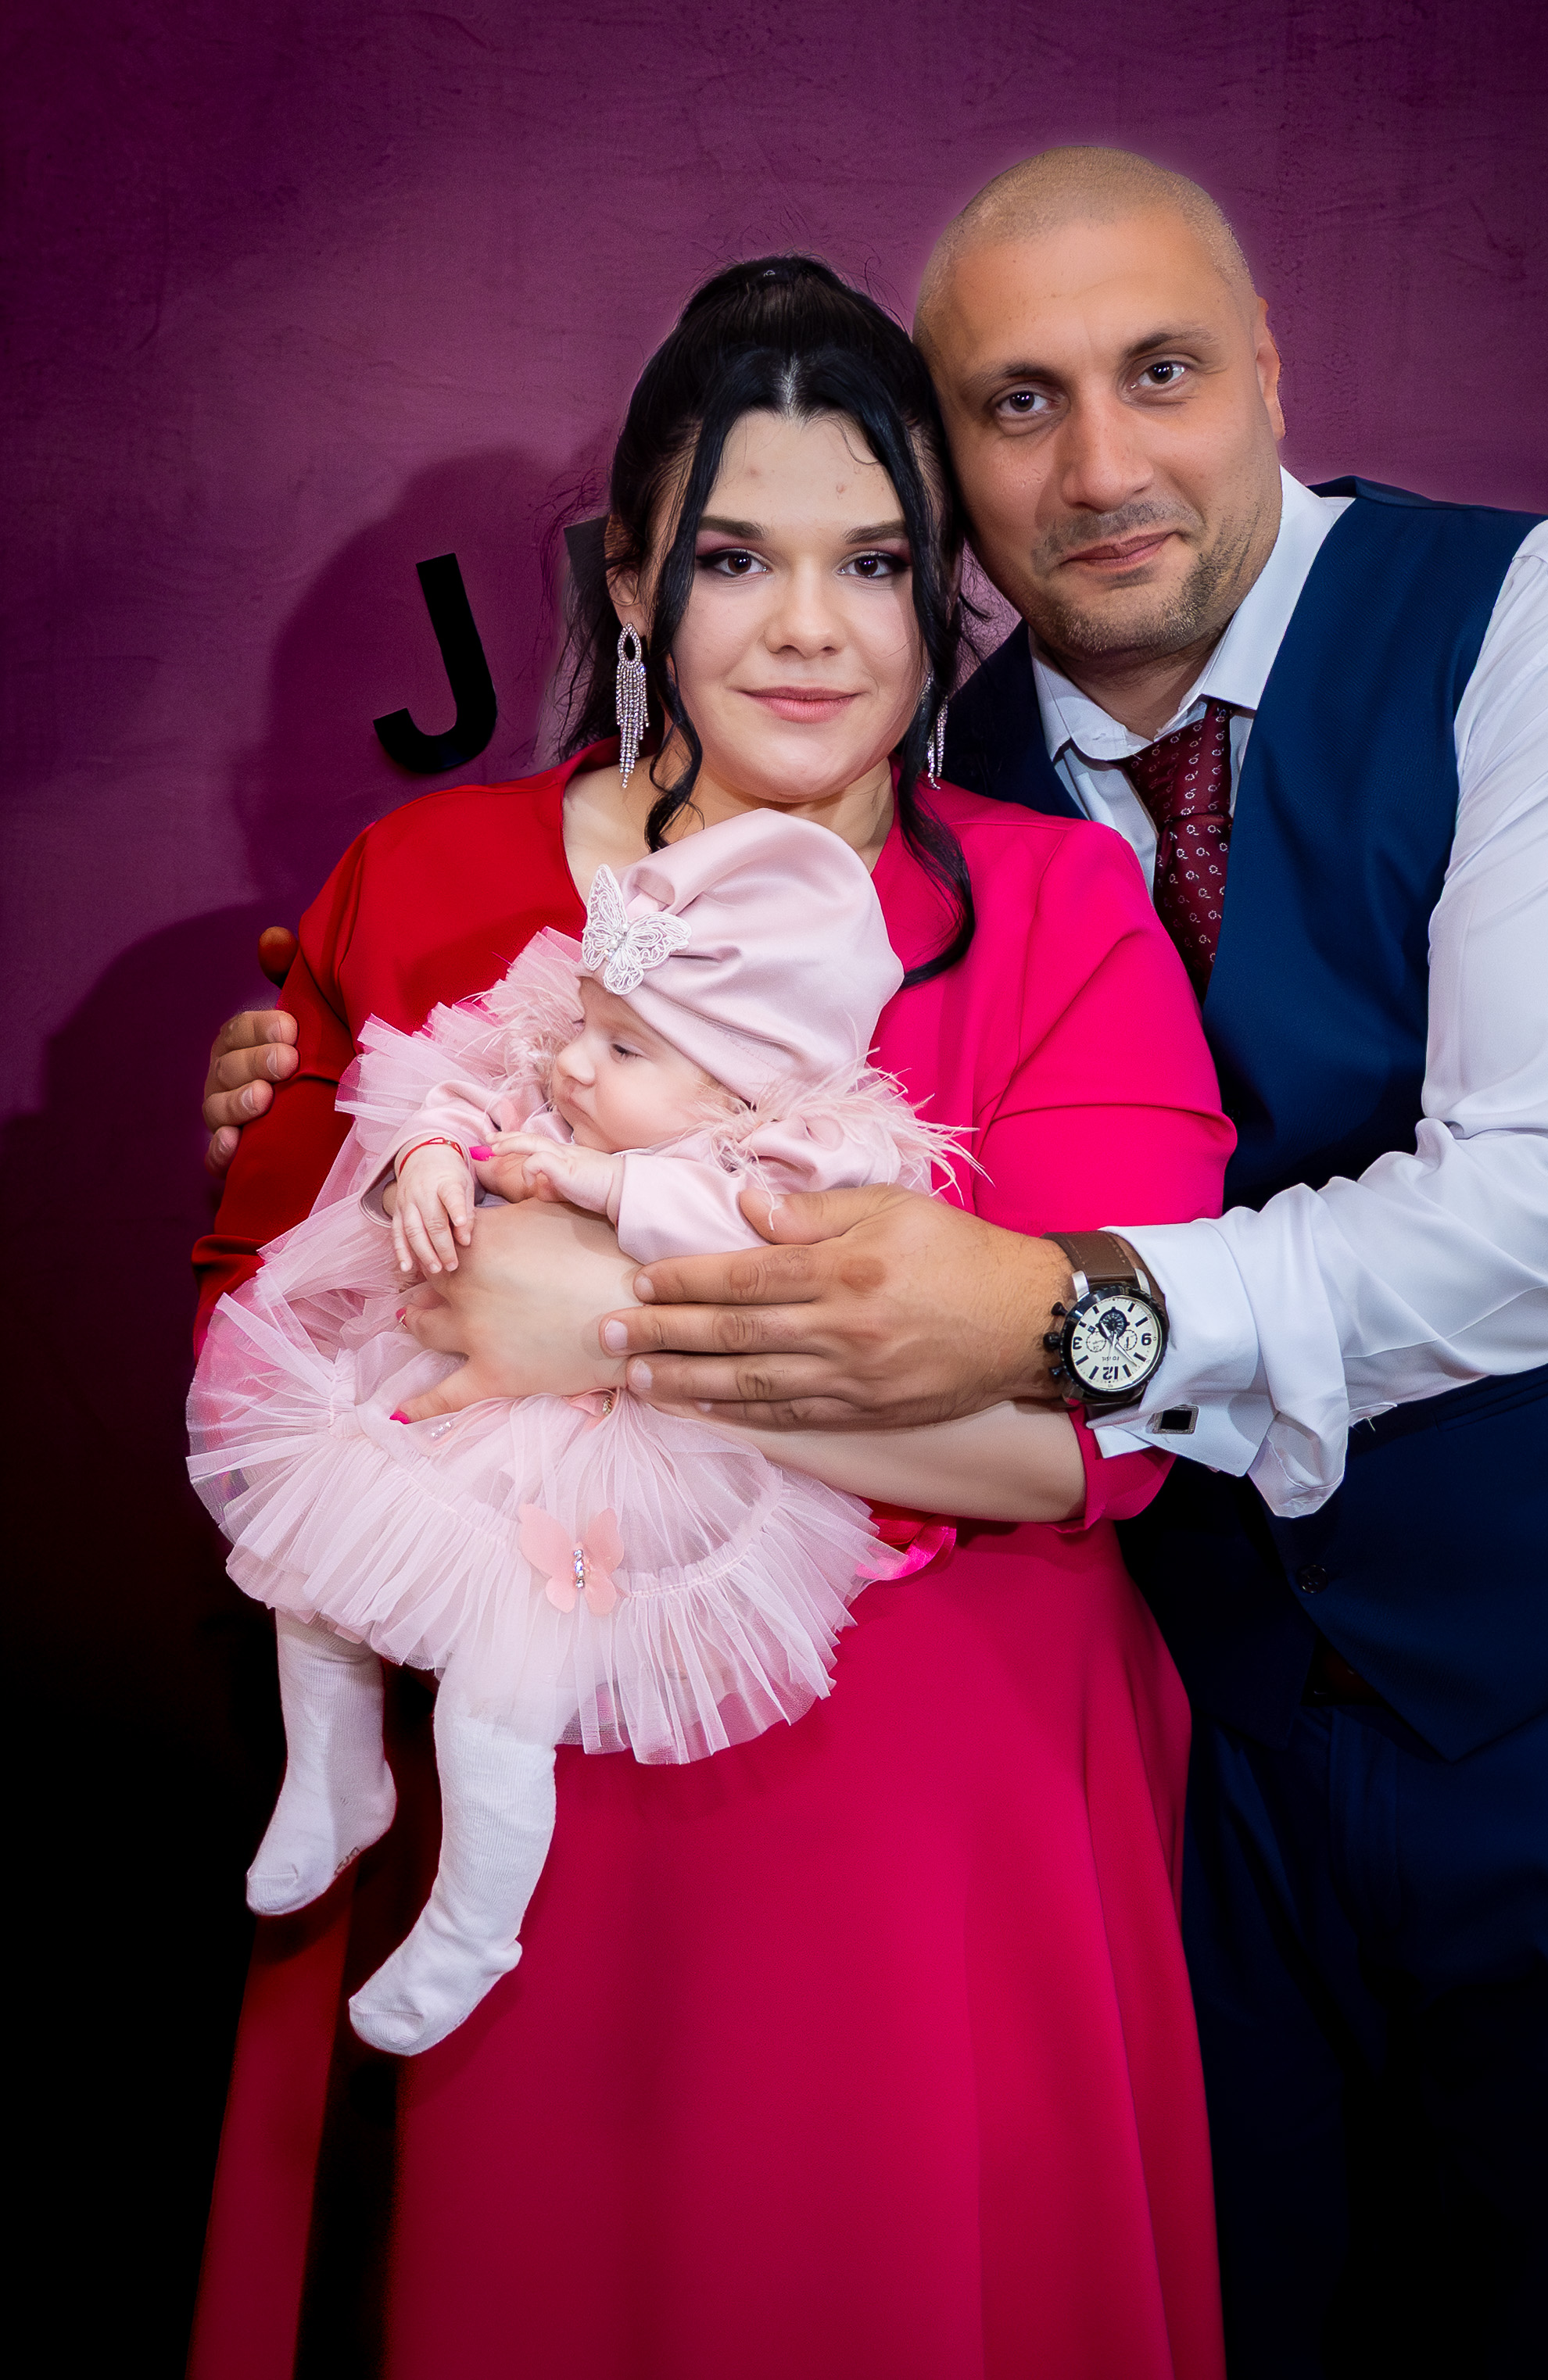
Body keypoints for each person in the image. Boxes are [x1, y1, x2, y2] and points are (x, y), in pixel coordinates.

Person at [210, 152, 1548, 2376]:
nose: (1099, 465)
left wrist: (1022, 1318)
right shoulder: (917, 776)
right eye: (1017, 404)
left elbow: (1539, 1218)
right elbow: (328, 1186)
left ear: (1268, 374)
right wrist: (318, 1082)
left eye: (1160, 372)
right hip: (1221, 1752)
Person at [187, 254, 1232, 2380]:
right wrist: (867, 1371)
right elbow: (263, 1333)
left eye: (875, 561)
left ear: (940, 586)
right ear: (634, 579)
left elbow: (1086, 1436)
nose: (809, 628)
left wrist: (587, 1319)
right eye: (736, 557)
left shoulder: (1056, 909)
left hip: (940, 1840)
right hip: (520, 1819)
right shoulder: (426, 878)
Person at [190, 808, 1098, 2059]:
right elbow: (457, 1097)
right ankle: (335, 1773)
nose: (571, 1065)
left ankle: (473, 1922)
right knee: (309, 1570)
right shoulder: (562, 1078)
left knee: (496, 1705)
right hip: (462, 1419)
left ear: (734, 1092)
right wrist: (438, 1156)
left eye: (620, 1047)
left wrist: (596, 1181)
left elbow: (733, 1239)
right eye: (585, 1025)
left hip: (605, 1473)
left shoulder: (768, 1163)